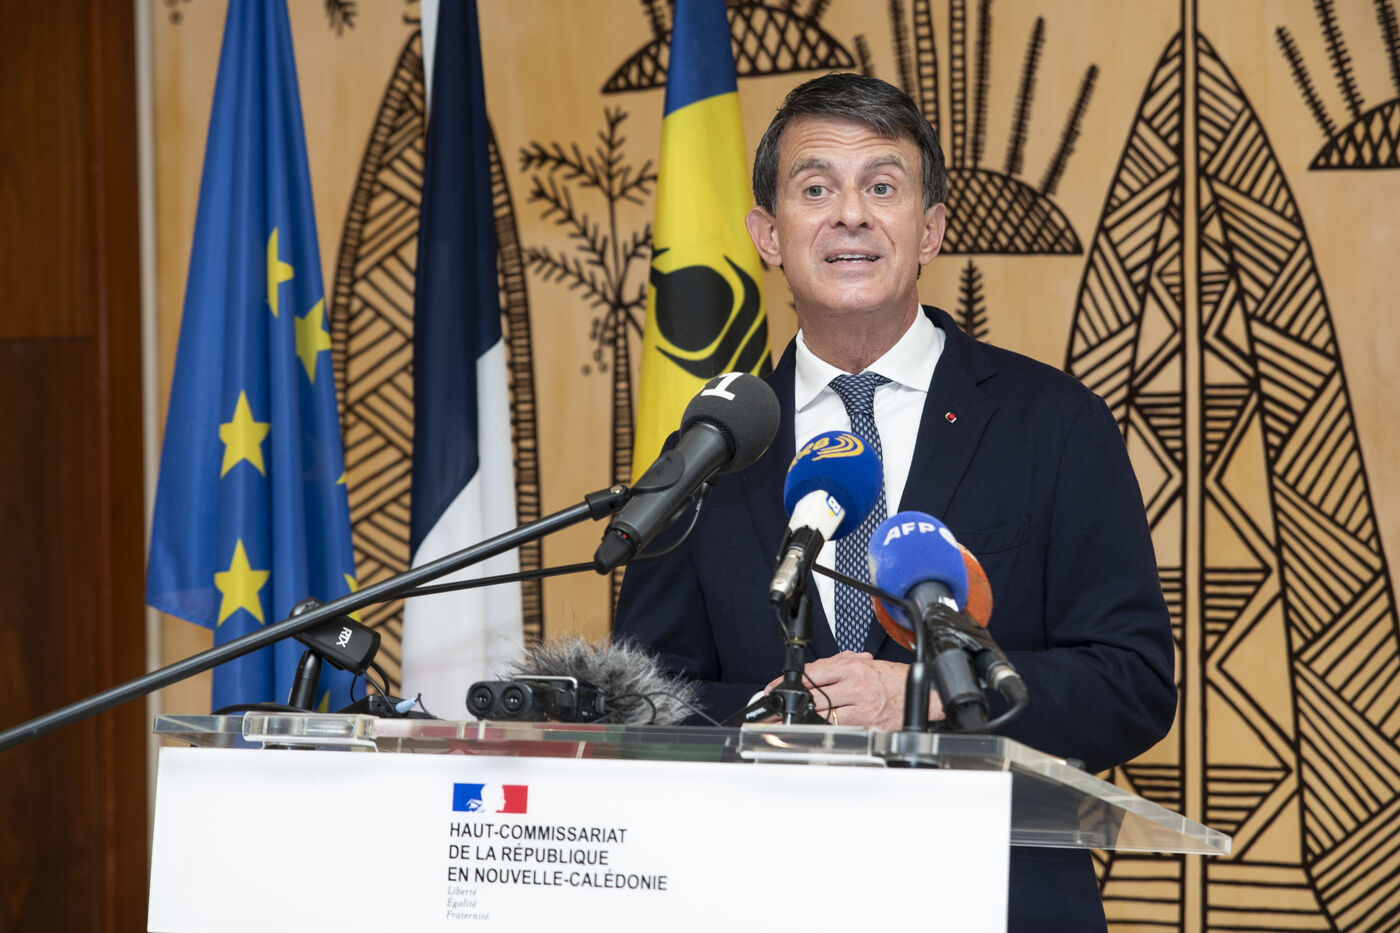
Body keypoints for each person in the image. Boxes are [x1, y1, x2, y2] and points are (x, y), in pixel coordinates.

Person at [612, 73, 1175, 931]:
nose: (850, 215)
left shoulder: (1054, 423)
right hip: (760, 891)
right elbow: (644, 692)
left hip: (994, 894)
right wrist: (790, 710)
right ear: (768, 235)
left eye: (882, 186)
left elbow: (1131, 681)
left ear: (930, 229)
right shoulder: (712, 449)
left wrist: (928, 692)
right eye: (815, 189)